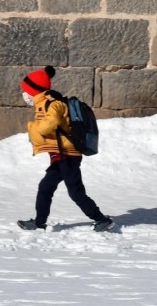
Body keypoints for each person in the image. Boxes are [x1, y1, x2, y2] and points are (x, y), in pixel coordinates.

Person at [17, 66, 114, 232]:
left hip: (68, 156)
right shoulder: (44, 104)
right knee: (45, 187)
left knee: (75, 192)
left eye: (26, 91)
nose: (24, 95)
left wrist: (33, 127)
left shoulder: (54, 104)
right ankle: (39, 223)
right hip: (60, 156)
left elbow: (49, 125)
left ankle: (101, 219)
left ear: (34, 91)